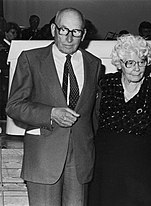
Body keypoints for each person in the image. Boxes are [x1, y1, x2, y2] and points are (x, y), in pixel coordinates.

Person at [6, 8, 102, 206]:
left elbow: (94, 114)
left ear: (83, 34)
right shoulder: (31, 59)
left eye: (75, 31)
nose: (68, 38)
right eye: (63, 30)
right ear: (53, 29)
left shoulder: (94, 64)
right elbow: (14, 106)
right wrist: (50, 113)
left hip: (80, 159)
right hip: (43, 157)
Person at [88, 34, 151, 206]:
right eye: (130, 63)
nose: (137, 68)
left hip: (140, 169)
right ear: (119, 64)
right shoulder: (105, 84)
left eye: (141, 61)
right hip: (106, 167)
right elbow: (93, 119)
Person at [0, 22, 20, 120]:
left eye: (16, 33)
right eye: (12, 33)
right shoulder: (2, 47)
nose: (15, 35)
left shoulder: (12, 46)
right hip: (4, 77)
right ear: (6, 33)